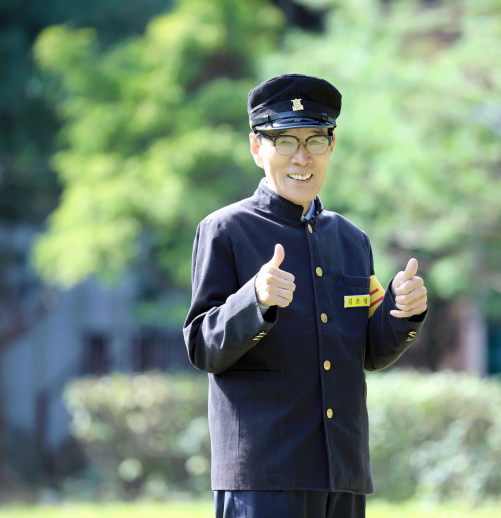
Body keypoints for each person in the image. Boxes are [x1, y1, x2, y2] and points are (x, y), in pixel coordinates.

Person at [183, 73, 428, 518]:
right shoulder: (226, 230)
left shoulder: (351, 240)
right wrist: (252, 301)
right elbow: (202, 347)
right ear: (257, 148)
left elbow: (368, 351)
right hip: (265, 477)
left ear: (331, 147)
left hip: (343, 472)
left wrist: (402, 314)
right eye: (285, 141)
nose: (302, 157)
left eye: (315, 141)